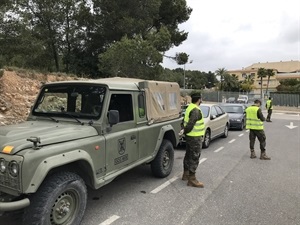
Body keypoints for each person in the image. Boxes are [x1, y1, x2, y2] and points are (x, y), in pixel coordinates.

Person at [179, 92, 205, 188]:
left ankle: (185, 174)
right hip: (195, 137)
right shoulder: (196, 110)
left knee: (188, 154)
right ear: (199, 99)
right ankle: (192, 179)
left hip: (190, 136)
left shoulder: (189, 107)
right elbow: (190, 124)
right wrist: (185, 131)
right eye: (201, 99)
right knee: (194, 157)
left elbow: (183, 121)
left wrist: (183, 131)